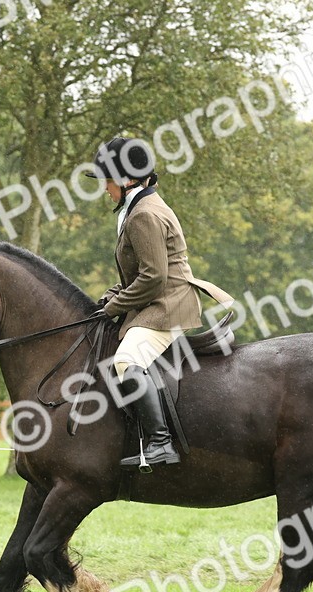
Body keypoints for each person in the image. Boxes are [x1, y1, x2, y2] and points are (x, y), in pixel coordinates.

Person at [87, 136, 227, 470]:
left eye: (108, 179)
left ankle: (161, 443)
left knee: (127, 360)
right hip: (156, 301)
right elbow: (137, 274)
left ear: (126, 179)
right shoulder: (138, 208)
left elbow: (153, 279)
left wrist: (114, 307)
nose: (105, 187)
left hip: (168, 306)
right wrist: (112, 295)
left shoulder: (144, 215)